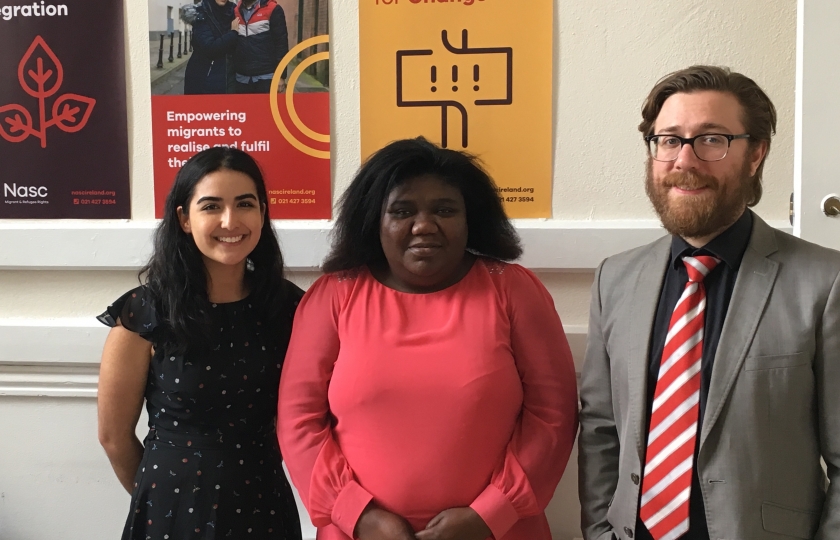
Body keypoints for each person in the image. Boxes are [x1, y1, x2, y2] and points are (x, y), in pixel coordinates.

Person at [578, 65, 840, 540]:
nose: (685, 160)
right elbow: (601, 431)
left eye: (711, 140)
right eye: (669, 140)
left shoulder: (826, 282)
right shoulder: (614, 279)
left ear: (756, 154)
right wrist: (600, 532)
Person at [277, 137, 579, 540]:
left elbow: (553, 415)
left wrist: (491, 514)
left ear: (471, 218)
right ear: (374, 220)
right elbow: (299, 421)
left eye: (445, 210)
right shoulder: (335, 295)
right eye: (402, 211)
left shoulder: (514, 291)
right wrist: (357, 515)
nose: (424, 225)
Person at [96, 147, 303, 539]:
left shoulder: (288, 306)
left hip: (263, 502)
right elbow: (113, 436)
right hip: (170, 507)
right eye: (211, 206)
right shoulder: (144, 312)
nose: (231, 221)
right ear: (184, 219)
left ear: (262, 213)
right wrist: (158, 497)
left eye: (245, 204)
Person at [183, 0, 239, 95]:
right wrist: (233, 33)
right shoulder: (201, 14)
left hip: (228, 78)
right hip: (204, 77)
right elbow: (210, 48)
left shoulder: (234, 12)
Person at [233, 0, 288, 94]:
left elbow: (281, 44)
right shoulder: (235, 11)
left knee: (264, 109)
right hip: (242, 78)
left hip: (266, 77)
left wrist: (281, 76)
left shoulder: (273, 9)